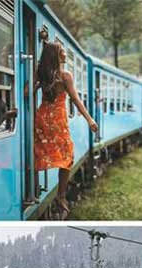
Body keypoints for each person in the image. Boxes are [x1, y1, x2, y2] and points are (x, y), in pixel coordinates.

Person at [34, 41, 99, 218]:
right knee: (68, 156)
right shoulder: (65, 76)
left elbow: (26, 92)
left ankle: (33, 188)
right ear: (56, 55)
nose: (64, 54)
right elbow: (76, 100)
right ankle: (60, 196)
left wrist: (38, 84)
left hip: (42, 117)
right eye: (62, 52)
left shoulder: (41, 74)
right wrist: (90, 119)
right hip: (57, 120)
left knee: (40, 151)